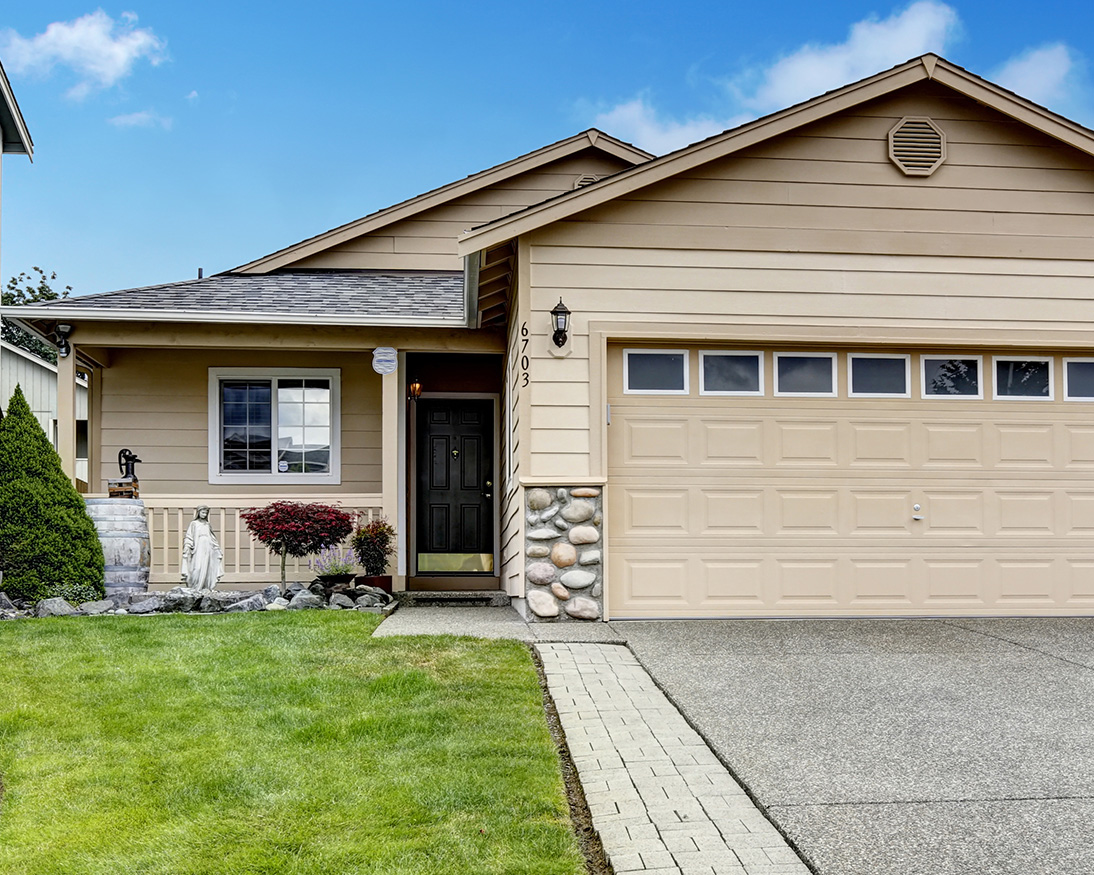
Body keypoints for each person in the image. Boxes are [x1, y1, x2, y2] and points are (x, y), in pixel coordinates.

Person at [181, 505, 224, 590]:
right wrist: (187, 546)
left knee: (208, 568)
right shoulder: (194, 524)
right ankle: (195, 587)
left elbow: (212, 538)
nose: (204, 515)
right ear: (198, 513)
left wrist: (216, 548)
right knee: (197, 568)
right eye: (203, 512)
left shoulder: (207, 525)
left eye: (206, 513)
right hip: (198, 548)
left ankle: (205, 587)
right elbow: (189, 536)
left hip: (208, 548)